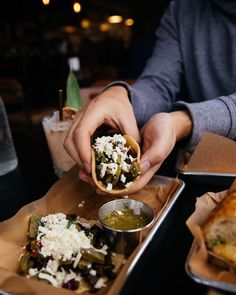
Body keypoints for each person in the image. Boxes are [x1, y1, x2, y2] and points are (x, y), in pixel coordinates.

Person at [64, 0, 236, 194]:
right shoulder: (182, 8)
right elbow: (159, 83)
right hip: (198, 172)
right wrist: (122, 96)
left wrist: (183, 122)